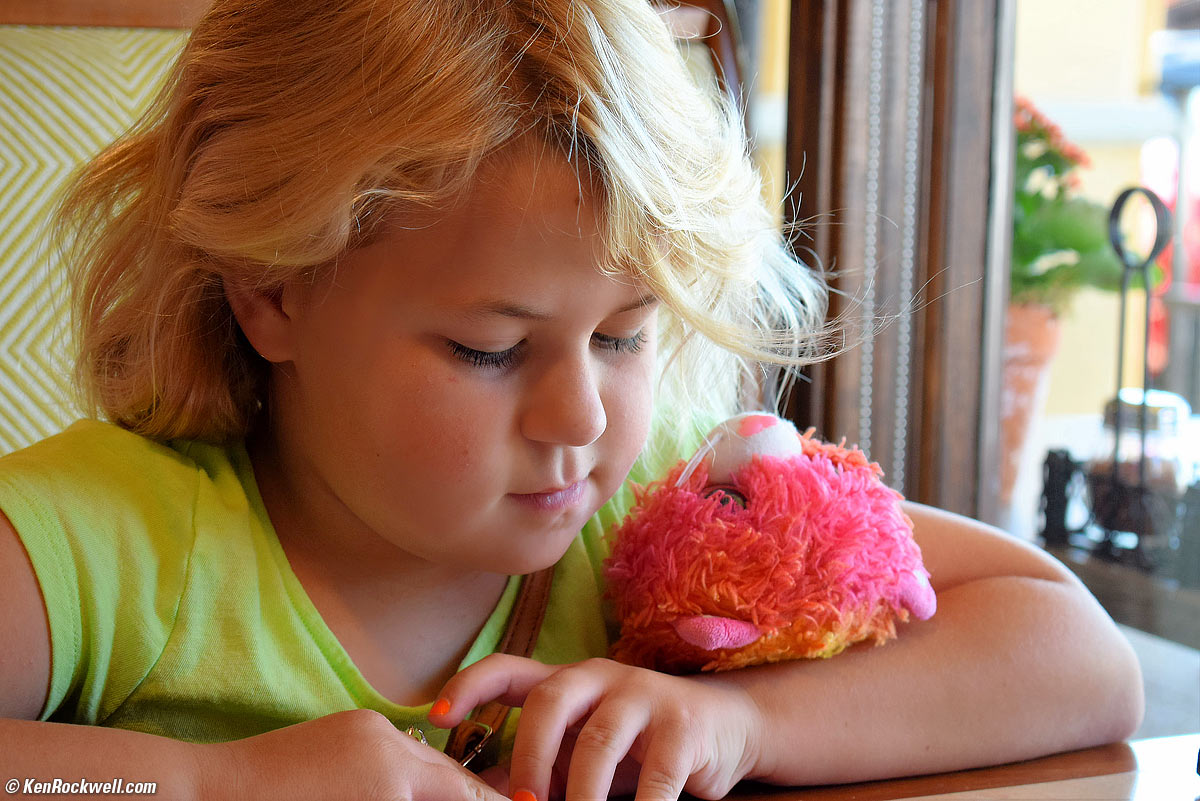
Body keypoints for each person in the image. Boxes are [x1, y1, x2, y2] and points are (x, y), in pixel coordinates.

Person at [0, 0, 1143, 799]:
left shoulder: (659, 514)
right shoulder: (119, 537)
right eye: (488, 350)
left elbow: (1080, 659)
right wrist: (210, 786)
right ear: (272, 297)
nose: (583, 419)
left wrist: (747, 725)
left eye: (622, 337)